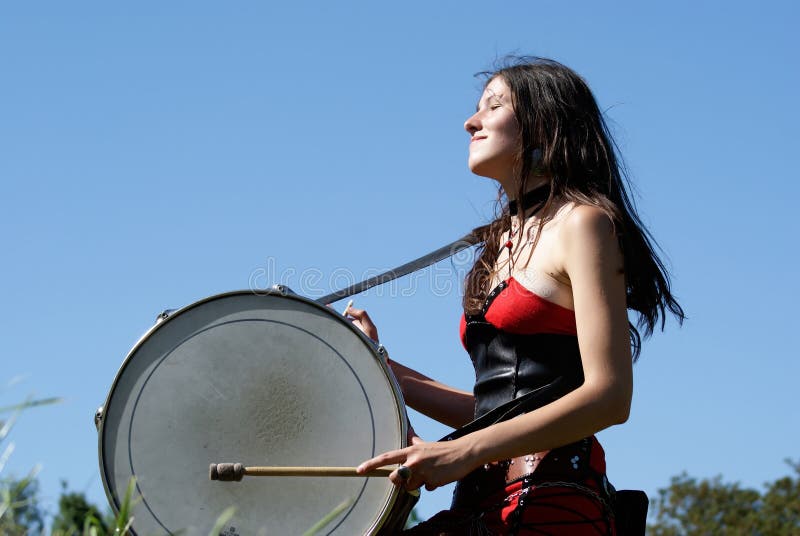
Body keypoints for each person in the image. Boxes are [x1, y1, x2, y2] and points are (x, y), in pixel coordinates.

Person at [352, 57, 685, 535]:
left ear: (543, 125)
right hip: (480, 499)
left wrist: (460, 450)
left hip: (551, 502)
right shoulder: (499, 242)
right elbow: (500, 412)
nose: (471, 121)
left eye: (493, 106)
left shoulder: (584, 223)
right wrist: (377, 365)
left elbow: (610, 397)